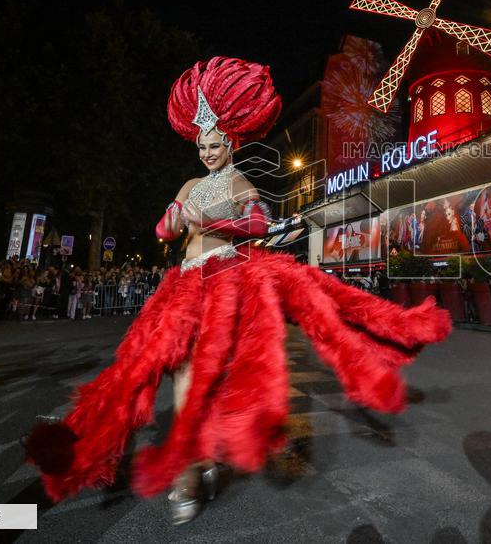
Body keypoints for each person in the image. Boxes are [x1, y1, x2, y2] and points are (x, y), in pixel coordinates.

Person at [24, 57, 451, 524]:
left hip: (226, 281)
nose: (208, 152)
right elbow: (165, 231)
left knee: (211, 371)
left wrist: (211, 220)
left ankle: (195, 462)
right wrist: (173, 219)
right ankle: (120, 446)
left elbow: (259, 224)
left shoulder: (241, 182)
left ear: (229, 144)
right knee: (161, 366)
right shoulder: (189, 184)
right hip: (185, 285)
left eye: (215, 145)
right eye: (202, 146)